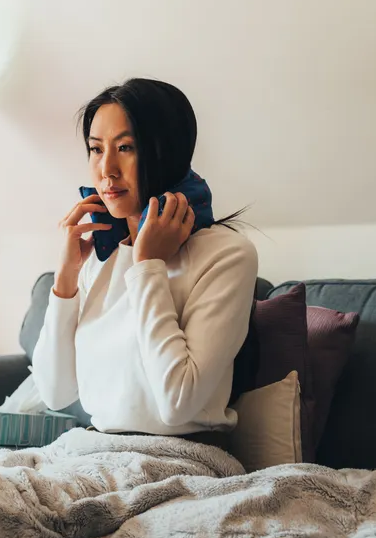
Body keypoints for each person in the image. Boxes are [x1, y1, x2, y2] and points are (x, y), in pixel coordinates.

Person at [32, 78, 258, 441]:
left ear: (165, 151)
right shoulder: (99, 256)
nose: (107, 169)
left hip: (181, 459)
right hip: (94, 451)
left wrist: (148, 266)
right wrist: (66, 280)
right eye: (95, 149)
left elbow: (177, 403)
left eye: (126, 147)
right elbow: (56, 393)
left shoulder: (226, 255)